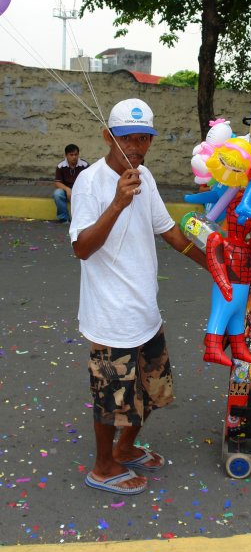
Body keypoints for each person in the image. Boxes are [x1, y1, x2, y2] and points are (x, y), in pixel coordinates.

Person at [69, 98, 207, 496]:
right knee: (112, 399)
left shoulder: (145, 177)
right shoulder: (90, 183)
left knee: (150, 391)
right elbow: (81, 248)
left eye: (143, 138)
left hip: (145, 310)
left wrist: (215, 268)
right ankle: (102, 465)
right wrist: (117, 202)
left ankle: (126, 448)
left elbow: (170, 232)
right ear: (107, 136)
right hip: (111, 318)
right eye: (126, 138)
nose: (135, 146)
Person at [53, 143, 88, 223]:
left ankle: (79, 219)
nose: (74, 157)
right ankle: (64, 218)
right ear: (66, 155)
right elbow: (57, 183)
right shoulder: (61, 166)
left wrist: (77, 190)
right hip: (66, 190)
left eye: (76, 154)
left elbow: (89, 181)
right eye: (71, 155)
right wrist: (67, 189)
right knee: (57, 194)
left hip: (80, 190)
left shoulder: (84, 165)